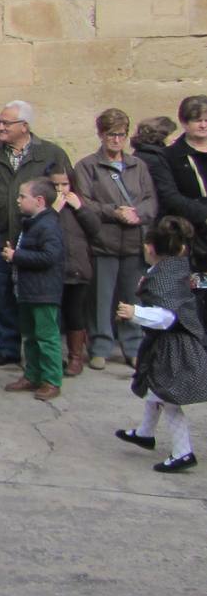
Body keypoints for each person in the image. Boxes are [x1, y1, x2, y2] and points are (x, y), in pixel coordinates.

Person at [0, 100, 72, 368]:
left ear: (24, 126)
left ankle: (45, 353)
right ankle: (8, 348)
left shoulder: (52, 154)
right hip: (0, 236)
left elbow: (65, 190)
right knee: (1, 295)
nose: (0, 127)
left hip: (37, 238)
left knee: (39, 299)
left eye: (7, 123)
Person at [114, 216, 207, 473]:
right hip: (168, 345)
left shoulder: (166, 279)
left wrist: (134, 313)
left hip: (176, 348)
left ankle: (183, 452)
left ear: (151, 248)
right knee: (155, 390)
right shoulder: (175, 269)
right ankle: (145, 433)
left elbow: (166, 317)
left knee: (168, 399)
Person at [73, 108, 156, 372]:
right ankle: (99, 347)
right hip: (103, 241)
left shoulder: (138, 165)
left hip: (133, 241)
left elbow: (150, 200)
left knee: (133, 297)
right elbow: (84, 201)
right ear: (101, 135)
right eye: (110, 135)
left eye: (120, 135)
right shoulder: (87, 166)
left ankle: (133, 347)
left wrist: (137, 214)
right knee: (101, 298)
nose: (116, 140)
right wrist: (114, 212)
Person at [2, 179, 66, 401]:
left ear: (39, 201)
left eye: (22, 197)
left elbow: (50, 257)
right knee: (29, 336)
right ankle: (32, 375)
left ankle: (51, 380)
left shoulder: (48, 225)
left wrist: (16, 256)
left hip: (43, 292)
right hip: (27, 290)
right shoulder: (31, 223)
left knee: (46, 337)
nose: (18, 201)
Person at [46, 165, 95, 378]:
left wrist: (81, 208)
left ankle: (76, 358)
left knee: (75, 314)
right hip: (52, 270)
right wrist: (52, 210)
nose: (60, 190)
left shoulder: (78, 204)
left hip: (77, 269)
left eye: (64, 184)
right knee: (53, 317)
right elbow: (34, 228)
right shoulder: (45, 207)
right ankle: (53, 357)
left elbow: (95, 228)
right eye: (55, 185)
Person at [161, 95, 207, 271]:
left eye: (206, 120)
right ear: (185, 122)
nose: (203, 125)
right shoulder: (171, 156)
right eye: (197, 120)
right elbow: (170, 196)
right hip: (190, 234)